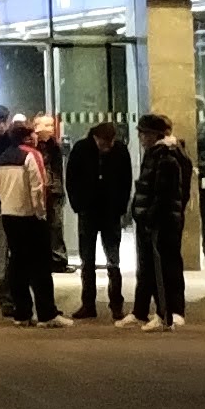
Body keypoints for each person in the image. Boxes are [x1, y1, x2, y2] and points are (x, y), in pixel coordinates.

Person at [131, 114, 197, 329]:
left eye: (143, 133)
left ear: (154, 135)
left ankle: (167, 314)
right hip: (156, 219)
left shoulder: (166, 156)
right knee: (150, 267)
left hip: (162, 221)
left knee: (165, 267)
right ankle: (147, 312)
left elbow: (163, 192)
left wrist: (151, 215)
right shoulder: (158, 154)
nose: (140, 137)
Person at [67, 113, 133, 320]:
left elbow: (126, 180)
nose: (109, 146)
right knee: (87, 260)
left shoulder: (120, 151)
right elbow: (72, 179)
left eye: (112, 142)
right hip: (88, 211)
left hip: (111, 212)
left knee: (113, 259)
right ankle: (88, 304)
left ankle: (116, 304)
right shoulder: (81, 149)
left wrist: (122, 207)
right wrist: (78, 205)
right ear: (96, 138)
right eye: (106, 142)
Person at [0, 114, 56, 323]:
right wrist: (41, 213)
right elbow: (38, 187)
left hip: (9, 215)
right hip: (30, 216)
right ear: (27, 139)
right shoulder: (32, 155)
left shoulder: (1, 159)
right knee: (40, 266)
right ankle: (46, 314)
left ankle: (22, 313)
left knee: (17, 264)